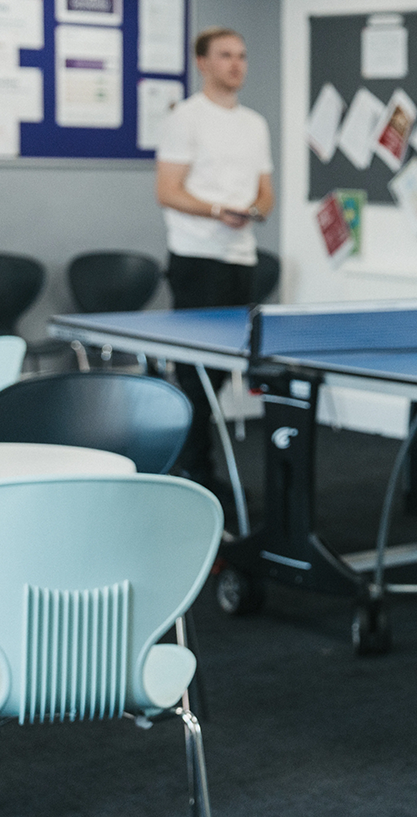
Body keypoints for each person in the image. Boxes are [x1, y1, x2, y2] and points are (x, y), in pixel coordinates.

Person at [155, 26, 275, 492]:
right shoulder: (185, 118)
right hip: (196, 256)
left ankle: (191, 461)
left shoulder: (255, 124)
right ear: (202, 63)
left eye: (242, 56)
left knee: (224, 368)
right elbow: (167, 190)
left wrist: (256, 210)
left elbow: (266, 190)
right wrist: (214, 211)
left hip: (239, 257)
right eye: (225, 55)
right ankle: (192, 468)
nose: (236, 64)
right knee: (193, 373)